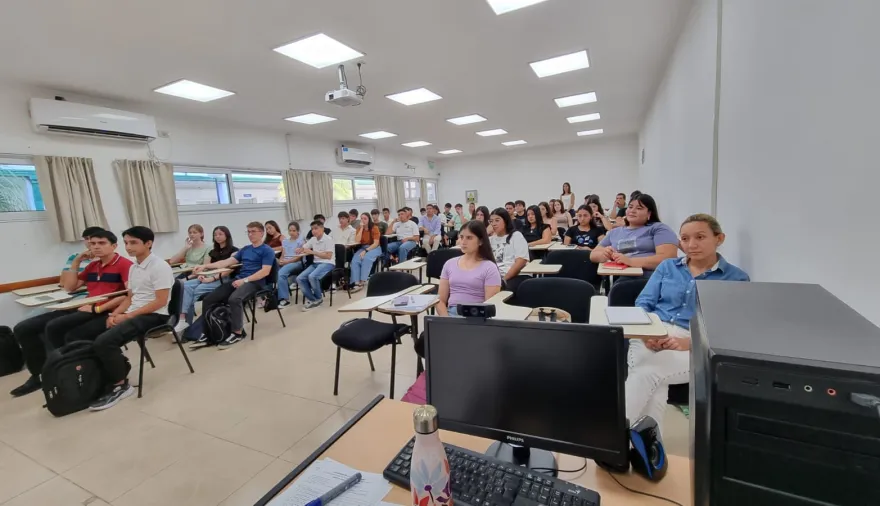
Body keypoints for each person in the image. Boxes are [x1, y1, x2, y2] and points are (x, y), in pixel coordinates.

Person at [626, 214, 750, 430]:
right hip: (652, 330)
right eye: (684, 239)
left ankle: (614, 435)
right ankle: (650, 449)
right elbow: (643, 302)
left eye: (700, 237)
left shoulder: (736, 279)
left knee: (648, 373)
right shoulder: (667, 267)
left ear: (719, 238)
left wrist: (689, 342)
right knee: (652, 380)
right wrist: (648, 333)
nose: (691, 245)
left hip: (695, 341)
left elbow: (730, 328)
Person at [10, 230, 132, 397]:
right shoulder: (93, 265)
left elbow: (129, 294)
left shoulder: (124, 264)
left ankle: (70, 369)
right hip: (82, 305)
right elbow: (69, 287)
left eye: (101, 243)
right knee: (24, 328)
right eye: (92, 243)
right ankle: (40, 374)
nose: (95, 247)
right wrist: (76, 261)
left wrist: (103, 310)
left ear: (114, 246)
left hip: (102, 309)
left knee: (56, 328)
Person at [87, 226, 174, 411]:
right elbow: (130, 297)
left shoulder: (159, 266)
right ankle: (106, 375)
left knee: (104, 342)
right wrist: (116, 314)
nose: (128, 247)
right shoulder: (134, 267)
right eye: (126, 243)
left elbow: (161, 301)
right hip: (134, 312)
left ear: (148, 243)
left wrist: (128, 316)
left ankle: (121, 385)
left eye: (133, 242)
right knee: (86, 335)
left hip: (155, 316)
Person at [195, 222, 275, 348]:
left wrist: (245, 280)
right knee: (209, 299)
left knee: (234, 299)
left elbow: (265, 271)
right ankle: (208, 333)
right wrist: (205, 266)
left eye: (253, 231)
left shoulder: (267, 250)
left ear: (261, 232)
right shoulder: (245, 249)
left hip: (255, 282)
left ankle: (237, 333)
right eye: (248, 231)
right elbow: (225, 262)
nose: (250, 234)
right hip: (239, 280)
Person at [590, 194, 678, 274]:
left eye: (639, 208)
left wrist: (630, 261)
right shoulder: (615, 232)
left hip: (652, 276)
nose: (632, 211)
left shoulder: (658, 228)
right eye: (630, 207)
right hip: (621, 275)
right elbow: (593, 255)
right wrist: (605, 255)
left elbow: (667, 258)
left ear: (649, 213)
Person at [175, 226, 238, 331]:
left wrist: (211, 279)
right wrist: (202, 274)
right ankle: (182, 321)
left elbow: (228, 270)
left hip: (223, 279)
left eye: (220, 234)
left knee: (193, 293)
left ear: (227, 235)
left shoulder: (234, 251)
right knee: (184, 287)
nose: (217, 237)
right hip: (208, 277)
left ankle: (188, 326)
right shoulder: (213, 251)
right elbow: (206, 267)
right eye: (215, 234)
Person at [436, 221, 502, 316]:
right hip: (451, 314)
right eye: (461, 237)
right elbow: (440, 300)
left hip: (476, 316)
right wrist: (446, 320)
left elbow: (489, 306)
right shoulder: (449, 264)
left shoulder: (489, 267)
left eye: (469, 238)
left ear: (481, 241)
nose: (463, 242)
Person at [296, 221, 337, 310]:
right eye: (312, 229)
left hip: (328, 263)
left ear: (322, 228)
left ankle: (318, 298)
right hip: (316, 263)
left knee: (312, 276)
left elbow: (328, 256)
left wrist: (312, 252)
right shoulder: (313, 239)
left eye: (316, 228)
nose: (313, 231)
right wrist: (300, 249)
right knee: (299, 278)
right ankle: (313, 299)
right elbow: (305, 247)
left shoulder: (328, 239)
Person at [489, 208, 530, 292]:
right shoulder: (490, 240)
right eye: (491, 221)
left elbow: (521, 261)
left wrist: (504, 279)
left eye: (497, 220)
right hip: (495, 276)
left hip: (515, 275)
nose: (493, 224)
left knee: (502, 290)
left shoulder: (516, 236)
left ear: (505, 221)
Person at [350, 213, 382, 292]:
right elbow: (357, 241)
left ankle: (362, 281)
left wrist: (366, 251)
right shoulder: (359, 228)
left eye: (365, 218)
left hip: (374, 247)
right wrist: (361, 228)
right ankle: (355, 281)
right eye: (362, 219)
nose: (363, 220)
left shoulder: (374, 228)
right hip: (363, 247)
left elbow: (376, 243)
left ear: (369, 219)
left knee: (366, 258)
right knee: (355, 260)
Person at [276, 222, 306, 308]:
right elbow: (283, 254)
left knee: (281, 273)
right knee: (273, 268)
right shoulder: (285, 241)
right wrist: (281, 260)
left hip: (297, 262)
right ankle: (272, 295)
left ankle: (284, 299)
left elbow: (298, 257)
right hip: (286, 261)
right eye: (290, 230)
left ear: (297, 231)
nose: (291, 232)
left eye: (294, 230)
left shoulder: (301, 241)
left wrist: (287, 262)